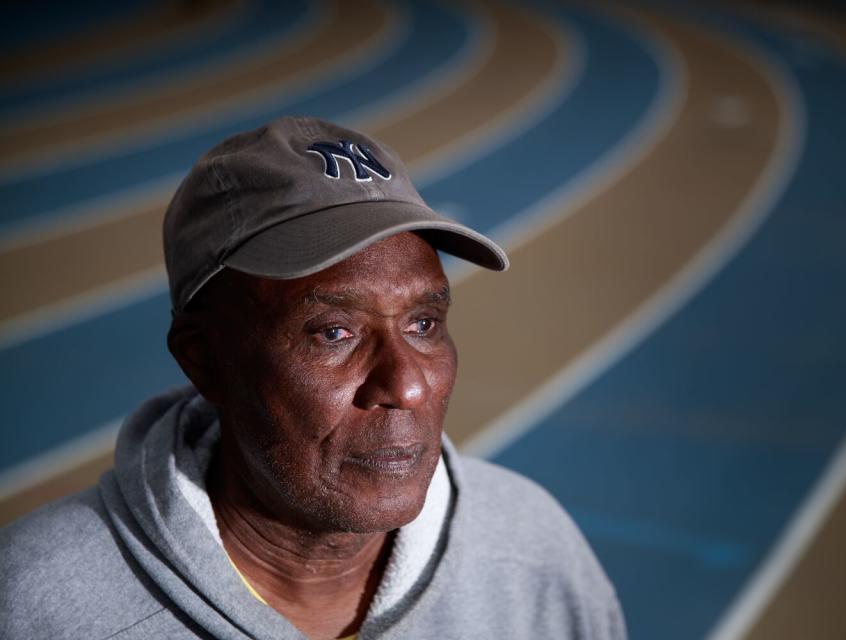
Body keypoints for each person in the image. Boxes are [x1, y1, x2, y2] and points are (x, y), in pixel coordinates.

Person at [0, 117, 625, 639]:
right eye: (334, 332)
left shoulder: (533, 552)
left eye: (424, 323)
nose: (405, 385)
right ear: (204, 359)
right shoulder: (38, 605)